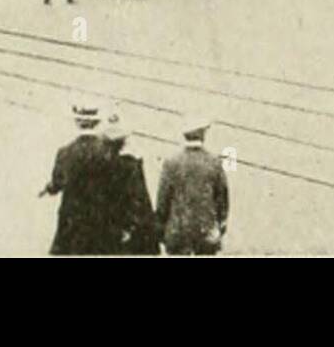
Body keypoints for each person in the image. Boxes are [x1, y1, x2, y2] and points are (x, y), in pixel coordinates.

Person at [41, 102, 114, 255]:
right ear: (97, 123)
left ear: (77, 122)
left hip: (72, 221)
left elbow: (57, 183)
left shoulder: (65, 152)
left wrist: (48, 188)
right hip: (101, 220)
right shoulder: (107, 152)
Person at [155, 118, 230, 256]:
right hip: (206, 232)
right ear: (203, 135)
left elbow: (163, 199)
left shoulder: (171, 162)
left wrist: (160, 228)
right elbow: (222, 198)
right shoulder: (214, 162)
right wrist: (220, 225)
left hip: (178, 232)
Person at [98, 124, 159, 255]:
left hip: (108, 231)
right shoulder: (132, 165)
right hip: (131, 230)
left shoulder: (100, 166)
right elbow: (139, 199)